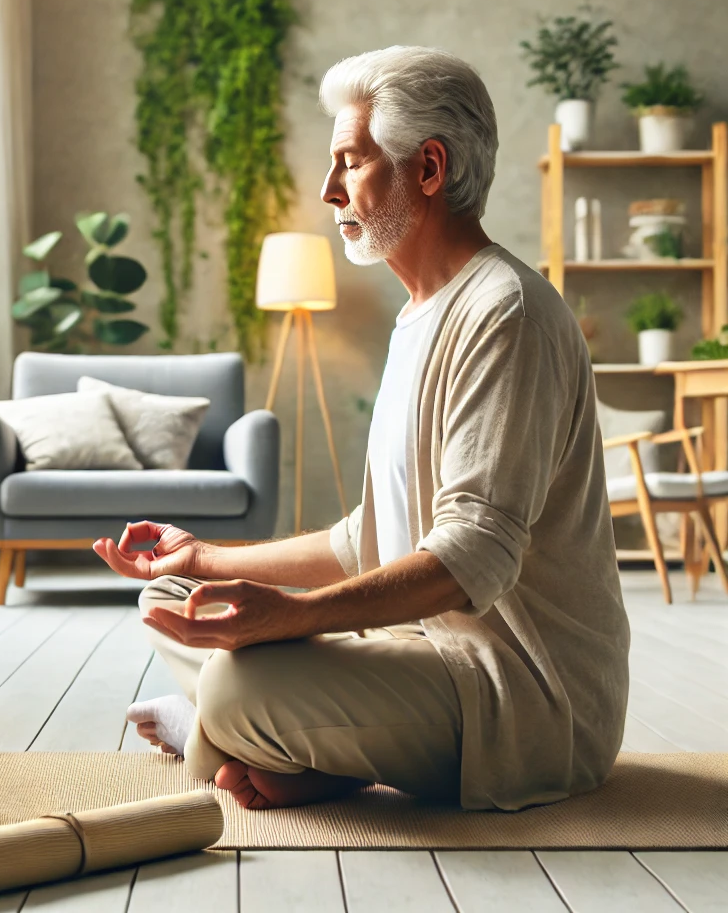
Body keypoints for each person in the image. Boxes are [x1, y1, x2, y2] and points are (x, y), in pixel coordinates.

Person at [93, 46, 630, 812]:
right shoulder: (419, 316)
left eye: (350, 161)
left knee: (242, 677)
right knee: (174, 600)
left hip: (523, 700)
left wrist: (299, 617)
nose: (327, 189)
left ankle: (226, 729)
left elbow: (475, 555)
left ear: (429, 168)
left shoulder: (504, 312)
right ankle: (296, 748)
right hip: (416, 653)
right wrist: (206, 558)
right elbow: (364, 538)